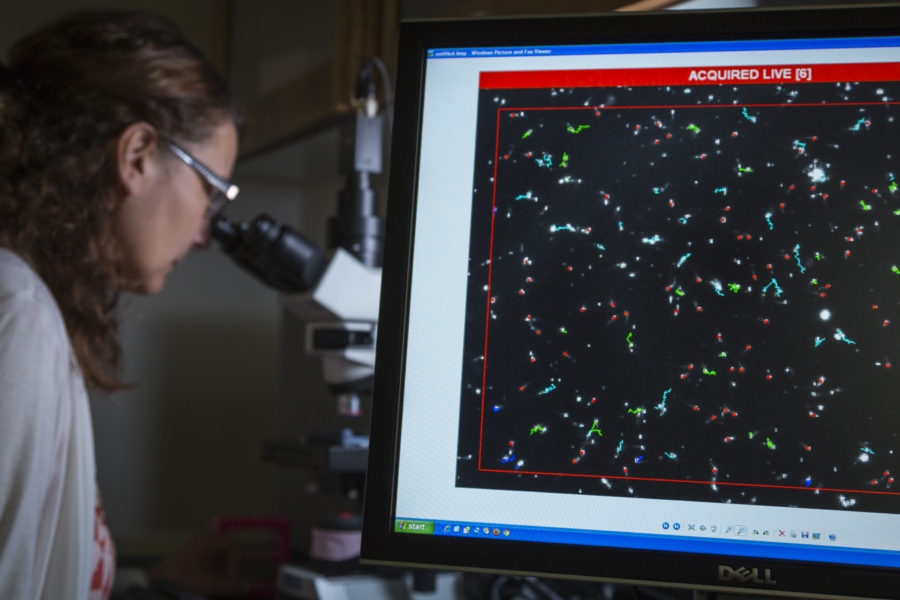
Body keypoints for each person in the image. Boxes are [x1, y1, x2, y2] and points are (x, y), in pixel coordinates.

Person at [0, 11, 243, 600]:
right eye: (210, 191)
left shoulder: (33, 305)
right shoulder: (18, 317)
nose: (204, 234)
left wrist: (147, 586)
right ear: (136, 155)